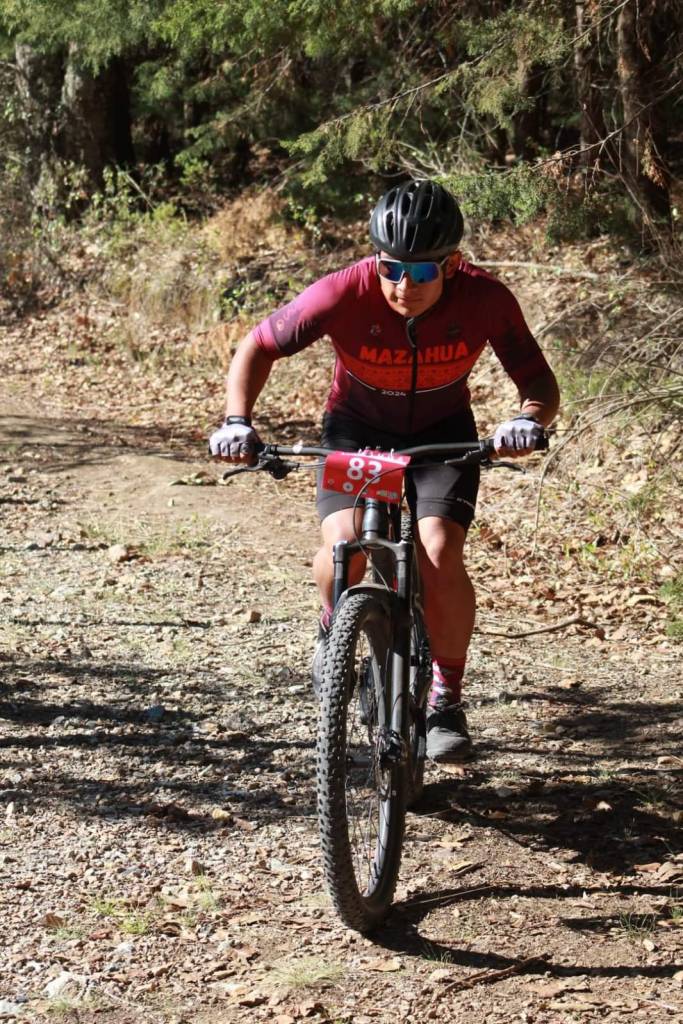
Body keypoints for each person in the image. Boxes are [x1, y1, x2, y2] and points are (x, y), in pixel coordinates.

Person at [210, 179, 559, 763]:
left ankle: (446, 696)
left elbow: (538, 381)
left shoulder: (485, 298)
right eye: (392, 268)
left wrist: (527, 420)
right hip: (358, 432)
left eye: (423, 273)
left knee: (439, 553)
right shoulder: (342, 292)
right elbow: (257, 347)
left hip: (442, 436)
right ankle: (335, 628)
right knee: (345, 546)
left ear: (452, 263)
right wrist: (237, 421)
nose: (404, 286)